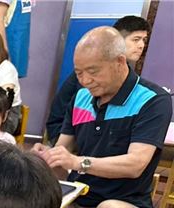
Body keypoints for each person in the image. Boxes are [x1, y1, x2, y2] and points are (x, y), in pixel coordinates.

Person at [32, 27, 171, 208]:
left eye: (93, 71)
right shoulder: (82, 97)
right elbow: (63, 151)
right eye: (79, 73)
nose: (85, 80)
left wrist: (78, 162)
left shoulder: (152, 100)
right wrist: (48, 157)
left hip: (127, 206)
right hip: (78, 198)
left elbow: (136, 164)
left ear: (120, 62)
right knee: (33, 192)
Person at [45, 15, 152, 143]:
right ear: (117, 40)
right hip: (64, 131)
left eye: (144, 40)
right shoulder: (93, 73)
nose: (141, 45)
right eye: (136, 39)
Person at [0, 0, 32, 78]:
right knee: (0, 79)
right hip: (4, 43)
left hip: (18, 44)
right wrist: (4, 52)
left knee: (11, 78)